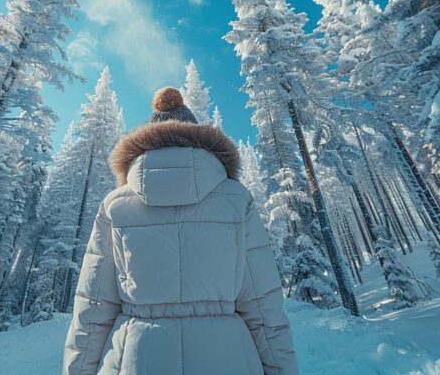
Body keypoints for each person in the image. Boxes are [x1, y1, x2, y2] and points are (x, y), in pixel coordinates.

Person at [62, 87, 298, 375]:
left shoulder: (115, 206)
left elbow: (92, 310)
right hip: (228, 359)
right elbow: (264, 309)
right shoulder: (237, 201)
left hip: (137, 360)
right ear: (198, 137)